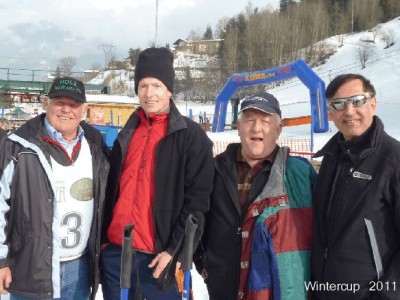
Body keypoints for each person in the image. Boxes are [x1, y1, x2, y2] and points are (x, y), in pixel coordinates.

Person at [100, 47, 214, 300]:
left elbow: (197, 204)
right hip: (117, 255)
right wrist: (104, 246)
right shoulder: (127, 133)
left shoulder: (191, 138)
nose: (148, 94)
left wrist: (174, 251)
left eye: (156, 85)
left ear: (169, 89)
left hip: (160, 259)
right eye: (142, 86)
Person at [196, 91, 317, 300]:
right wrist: (204, 263)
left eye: (265, 121)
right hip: (223, 288)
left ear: (278, 129)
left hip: (275, 289)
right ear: (239, 127)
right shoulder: (214, 170)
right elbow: (196, 216)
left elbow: (320, 230)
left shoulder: (300, 174)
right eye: (249, 120)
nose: (256, 127)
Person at [0, 77, 110, 299]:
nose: (66, 110)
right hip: (31, 269)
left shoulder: (95, 145)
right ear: (45, 104)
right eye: (59, 102)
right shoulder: (17, 145)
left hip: (80, 268)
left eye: (74, 105)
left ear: (84, 111)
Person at [311, 74, 400, 299]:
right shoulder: (332, 158)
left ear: (373, 102)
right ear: (330, 112)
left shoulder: (393, 160)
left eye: (357, 100)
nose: (349, 111)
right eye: (339, 104)